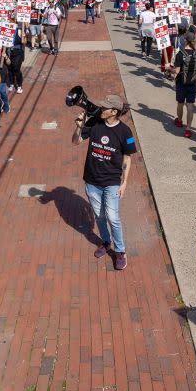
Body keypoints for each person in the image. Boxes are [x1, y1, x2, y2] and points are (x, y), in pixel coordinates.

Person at [72, 95, 136, 271]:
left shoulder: (126, 132)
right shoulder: (94, 123)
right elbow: (76, 141)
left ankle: (120, 251)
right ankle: (106, 242)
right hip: (92, 181)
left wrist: (124, 183)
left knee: (113, 217)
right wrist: (78, 128)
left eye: (105, 108)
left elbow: (127, 158)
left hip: (111, 182)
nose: (101, 109)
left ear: (114, 112)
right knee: (99, 216)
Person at [170, 31, 196, 138]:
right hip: (192, 83)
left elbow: (176, 71)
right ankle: (188, 128)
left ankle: (179, 121)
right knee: (190, 105)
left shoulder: (180, 54)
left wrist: (168, 68)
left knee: (180, 103)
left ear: (185, 40)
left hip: (181, 82)